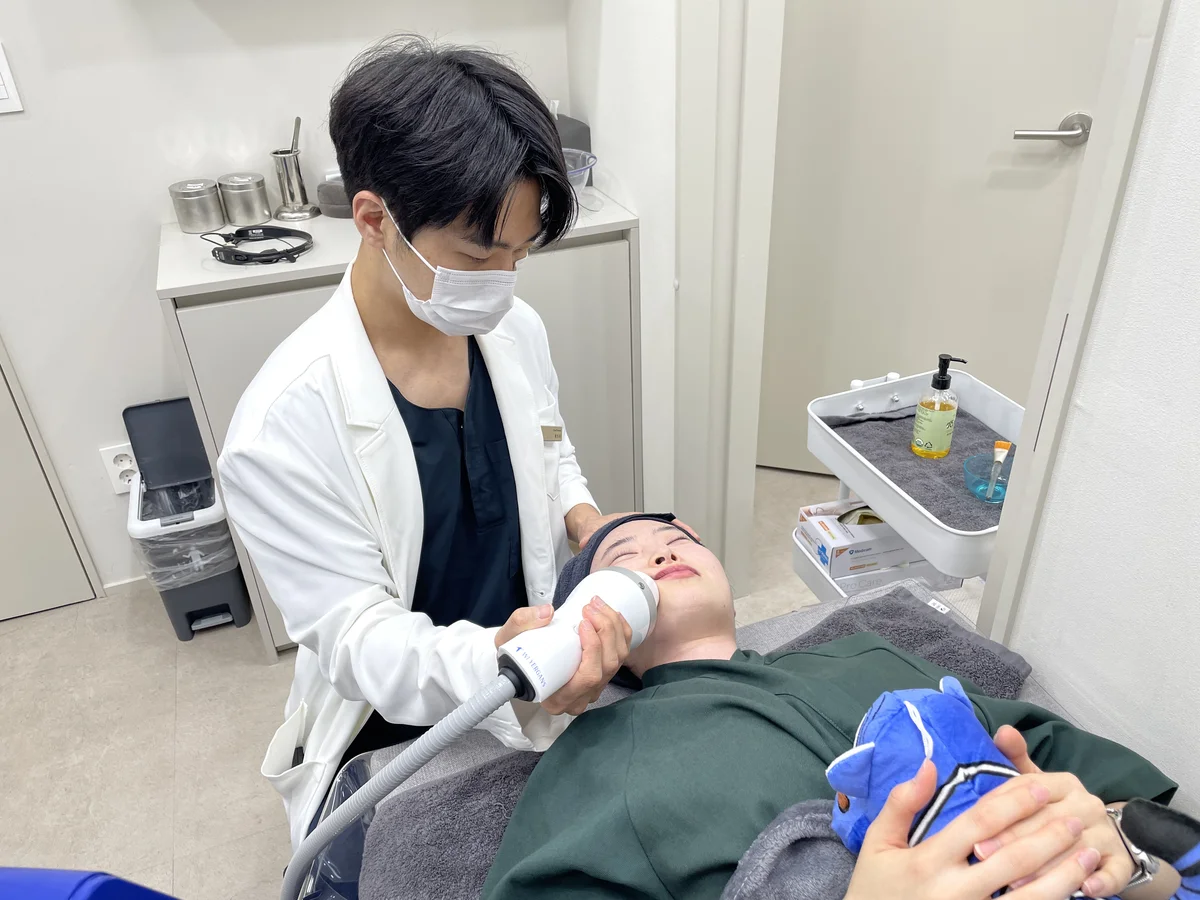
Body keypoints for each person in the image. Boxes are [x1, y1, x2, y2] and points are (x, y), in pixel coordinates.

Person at [217, 37, 641, 850]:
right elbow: (358, 641)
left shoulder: (511, 327)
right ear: (374, 219)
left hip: (535, 665)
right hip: (400, 719)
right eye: (480, 254)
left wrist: (588, 519)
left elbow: (548, 447)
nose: (506, 279)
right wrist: (500, 659)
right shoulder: (282, 428)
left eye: (519, 252)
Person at [482, 515, 1180, 900]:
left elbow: (1101, 785)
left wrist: (1123, 848)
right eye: (627, 558)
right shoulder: (599, 755)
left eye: (679, 541)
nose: (663, 553)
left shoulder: (867, 655)